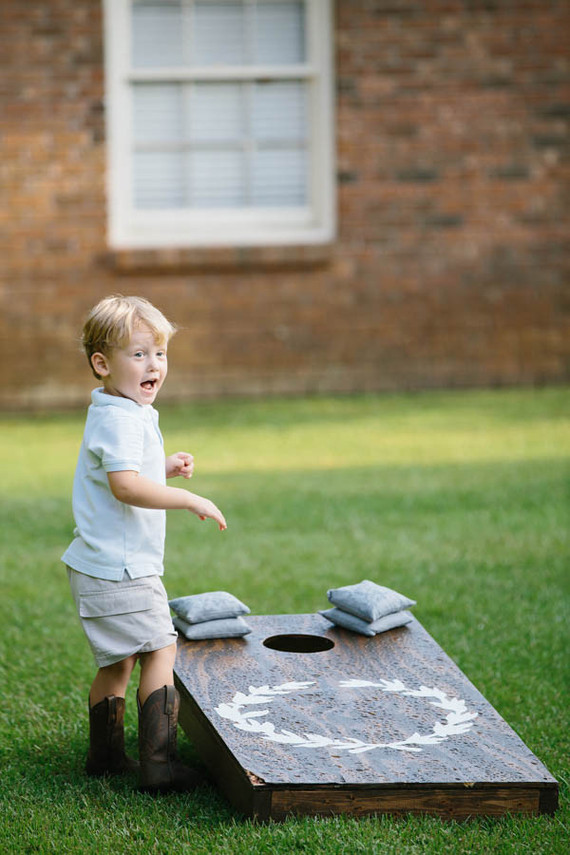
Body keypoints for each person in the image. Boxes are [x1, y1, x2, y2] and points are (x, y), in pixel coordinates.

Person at [61, 295, 227, 792]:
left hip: (98, 566)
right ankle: (160, 766)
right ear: (102, 363)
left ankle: (106, 758)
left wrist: (164, 467)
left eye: (160, 353)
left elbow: (127, 470)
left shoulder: (119, 409)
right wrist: (186, 495)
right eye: (139, 354)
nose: (153, 365)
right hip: (124, 569)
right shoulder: (121, 418)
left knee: (117, 663)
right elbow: (125, 486)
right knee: (161, 648)